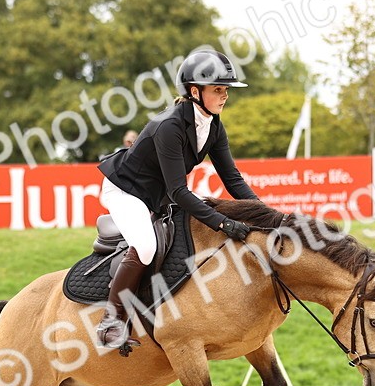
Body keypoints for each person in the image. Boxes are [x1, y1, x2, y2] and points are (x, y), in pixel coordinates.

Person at [94, 48, 259, 348]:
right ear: (195, 91)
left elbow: (232, 179)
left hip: (157, 192)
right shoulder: (170, 126)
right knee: (146, 246)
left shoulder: (213, 126)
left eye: (226, 90)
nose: (225, 96)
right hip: (126, 190)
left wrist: (267, 215)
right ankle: (111, 322)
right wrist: (224, 224)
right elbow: (178, 192)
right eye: (218, 89)